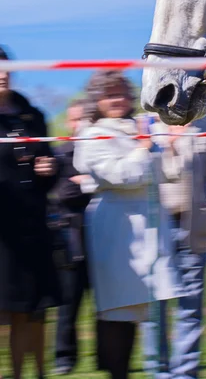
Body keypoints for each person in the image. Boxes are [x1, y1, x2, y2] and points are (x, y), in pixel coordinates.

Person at [73, 70, 180, 379]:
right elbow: (121, 176)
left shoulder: (142, 127)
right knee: (119, 312)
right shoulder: (91, 134)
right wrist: (145, 149)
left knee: (155, 311)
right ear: (97, 100)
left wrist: (167, 146)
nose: (117, 99)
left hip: (151, 224)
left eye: (121, 92)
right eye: (109, 94)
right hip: (118, 230)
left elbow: (169, 174)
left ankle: (163, 372)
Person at [142, 114, 206, 379]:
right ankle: (159, 371)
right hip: (154, 231)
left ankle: (185, 373)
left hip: (193, 228)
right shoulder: (144, 124)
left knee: (190, 307)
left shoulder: (204, 124)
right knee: (155, 308)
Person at [0, 46, 61, 379]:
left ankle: (37, 374)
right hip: (2, 236)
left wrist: (48, 168)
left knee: (36, 311)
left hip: (33, 228)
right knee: (9, 312)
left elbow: (50, 167)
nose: (3, 73)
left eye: (7, 67)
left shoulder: (32, 115)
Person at [52, 99, 91, 375]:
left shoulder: (100, 149)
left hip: (102, 233)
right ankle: (64, 357)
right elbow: (64, 194)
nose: (79, 125)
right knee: (69, 303)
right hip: (71, 237)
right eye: (75, 119)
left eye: (84, 119)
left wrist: (86, 181)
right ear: (69, 122)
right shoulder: (61, 154)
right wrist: (94, 182)